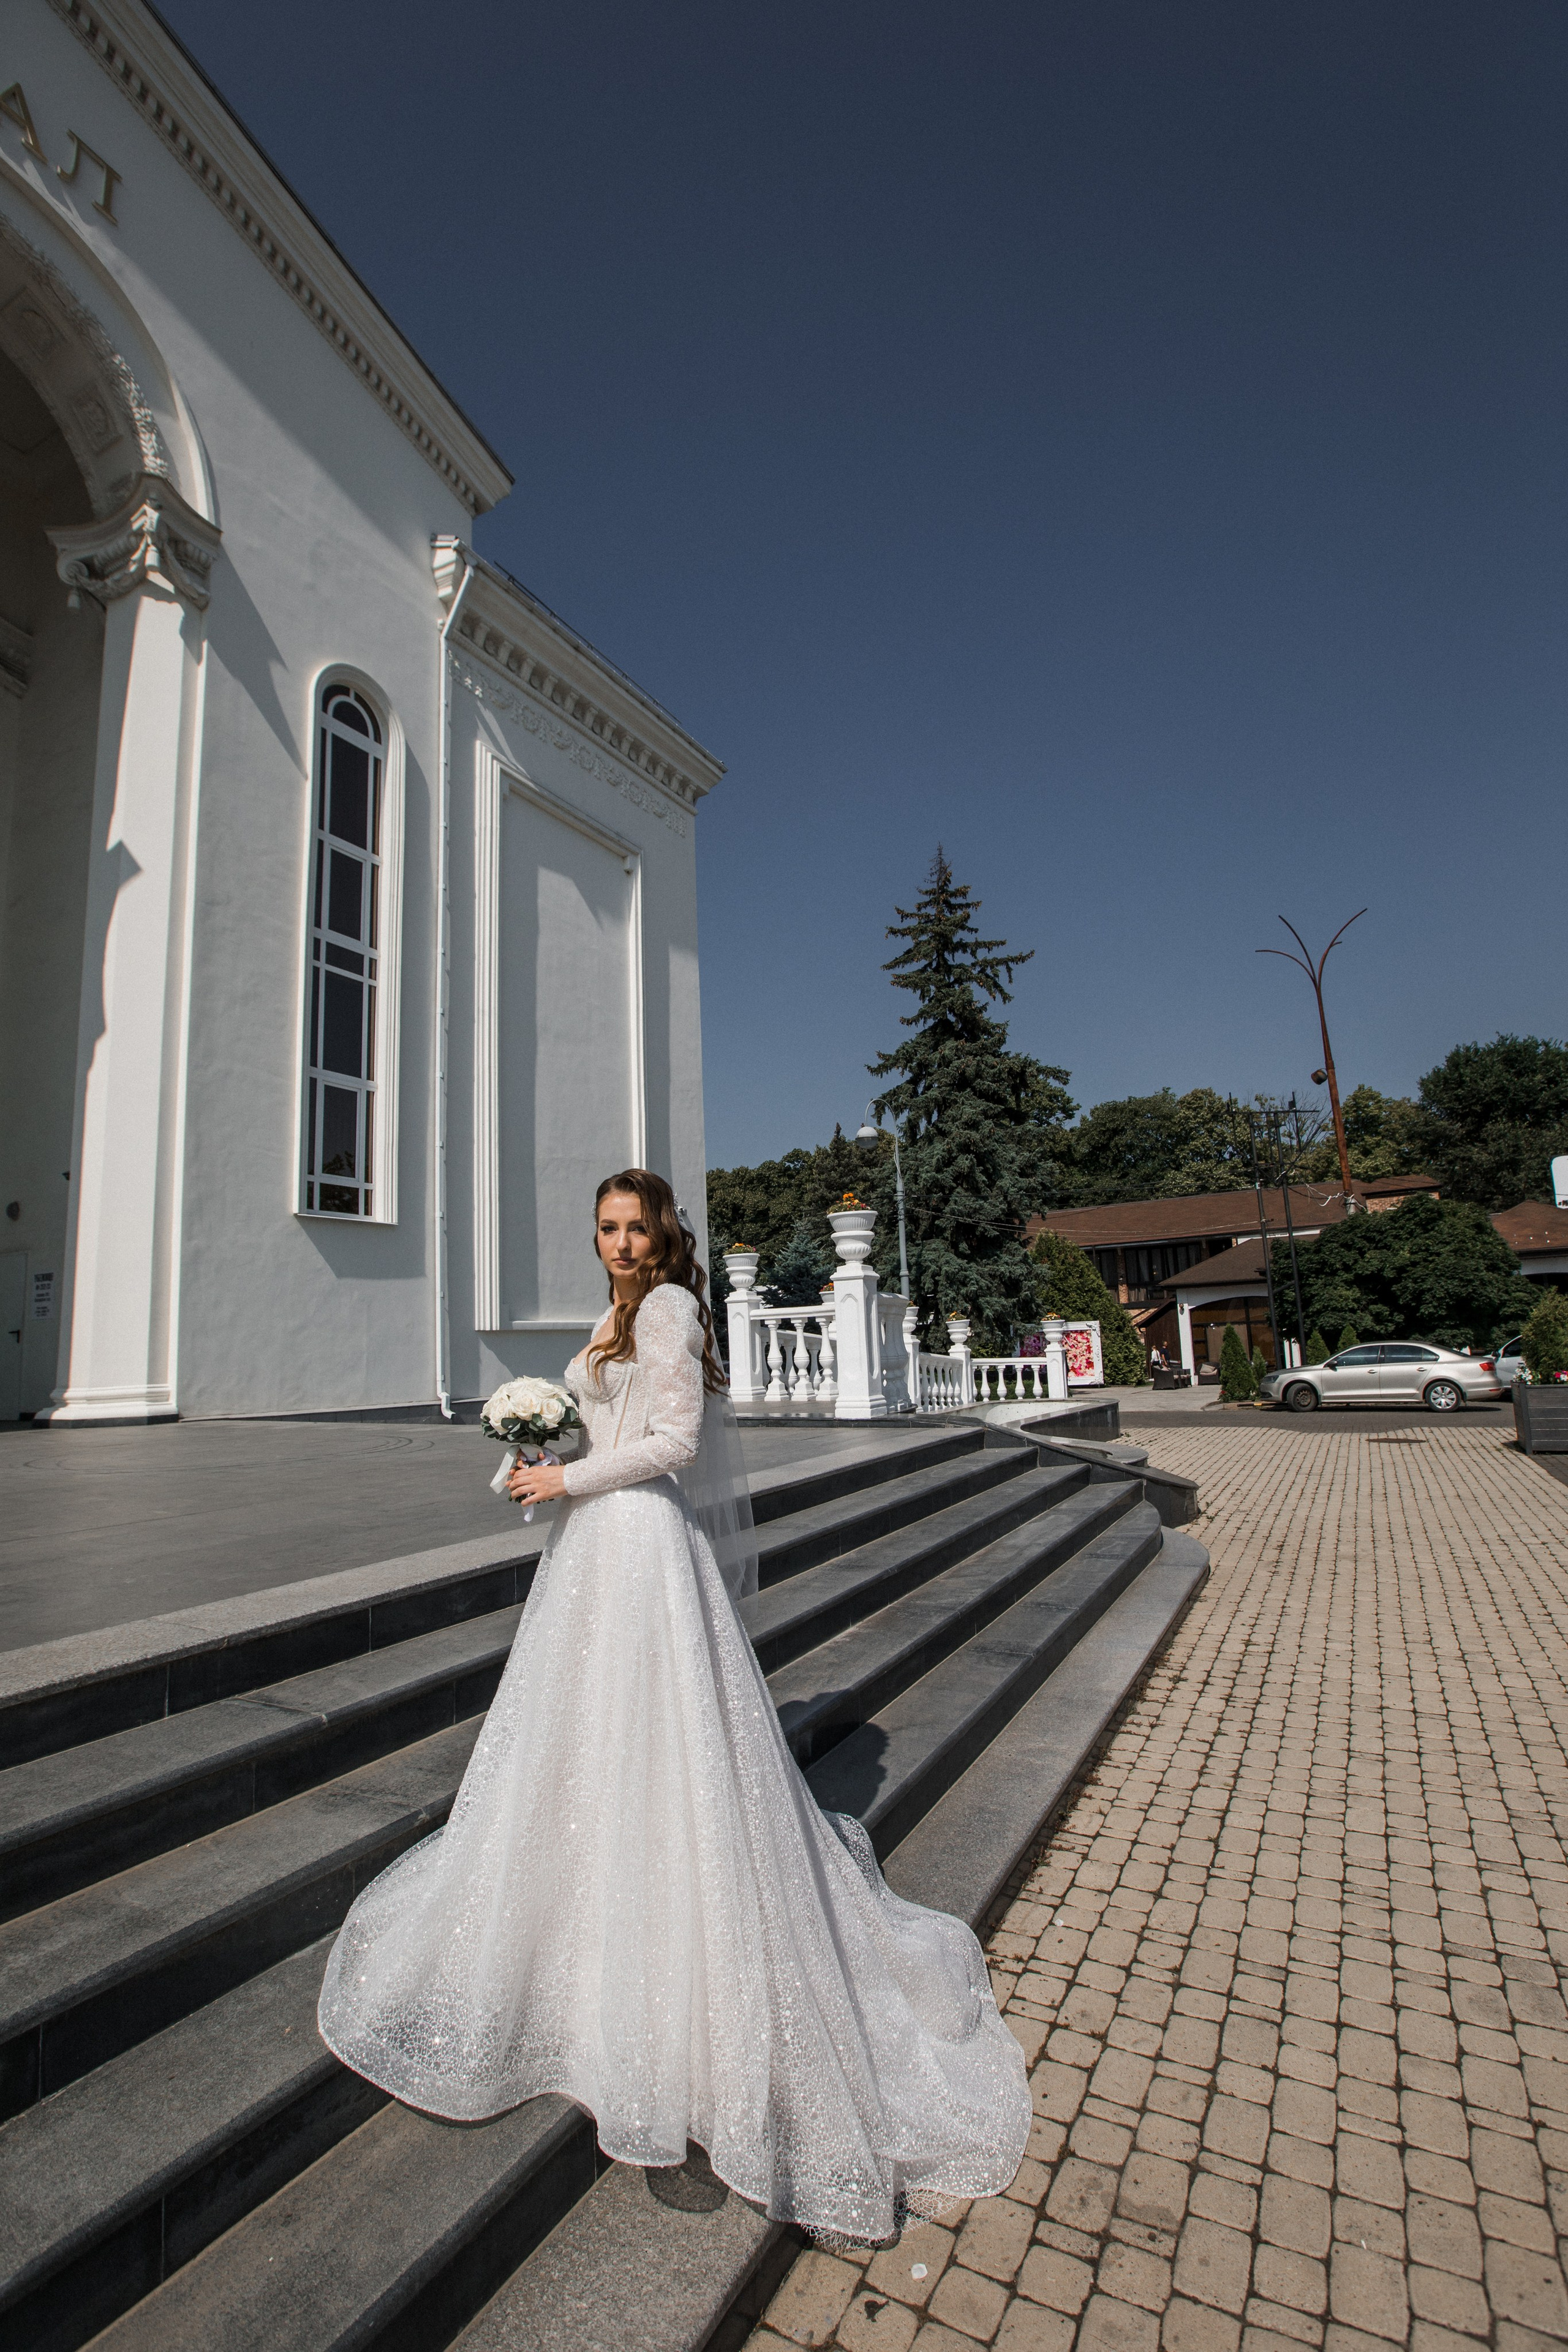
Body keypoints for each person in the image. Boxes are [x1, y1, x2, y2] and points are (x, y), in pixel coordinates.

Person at [318, 1168, 1029, 2244]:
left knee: (659, 1752)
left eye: (633, 1226)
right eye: (604, 1227)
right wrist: (537, 1464)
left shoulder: (669, 1308)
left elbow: (674, 1448)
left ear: (663, 1233)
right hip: (595, 1554)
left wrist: (571, 1480)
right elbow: (603, 1435)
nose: (617, 1242)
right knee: (580, 1749)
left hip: (645, 1552)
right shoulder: (617, 1312)